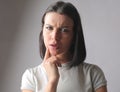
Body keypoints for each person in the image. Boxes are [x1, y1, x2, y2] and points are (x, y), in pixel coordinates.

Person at [21, 1, 107, 92]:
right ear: (42, 31)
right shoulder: (31, 76)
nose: (55, 36)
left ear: (74, 35)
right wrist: (52, 81)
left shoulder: (93, 74)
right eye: (49, 28)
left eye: (64, 30)